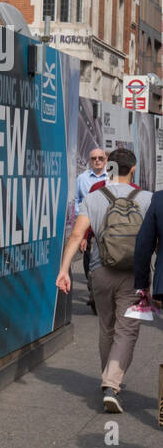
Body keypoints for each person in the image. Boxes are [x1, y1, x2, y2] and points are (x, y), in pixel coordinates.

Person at [57, 148, 151, 413]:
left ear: (109, 166)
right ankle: (111, 384)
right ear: (133, 169)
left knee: (106, 327)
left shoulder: (95, 197)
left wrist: (64, 270)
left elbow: (77, 234)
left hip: (100, 271)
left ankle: (108, 378)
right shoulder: (146, 199)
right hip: (135, 274)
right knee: (127, 331)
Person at [75, 149, 111, 312]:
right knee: (89, 260)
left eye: (100, 158)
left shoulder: (111, 179)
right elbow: (77, 201)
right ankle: (94, 294)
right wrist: (81, 230)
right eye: (93, 158)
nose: (97, 161)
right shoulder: (82, 179)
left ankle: (104, 295)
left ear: (106, 160)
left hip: (109, 227)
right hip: (89, 225)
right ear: (89, 160)